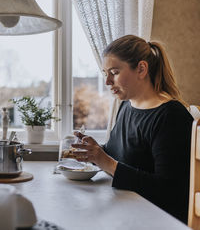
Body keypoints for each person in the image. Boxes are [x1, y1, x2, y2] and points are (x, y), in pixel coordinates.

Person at [71, 35, 192, 223]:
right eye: (106, 74)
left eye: (115, 72)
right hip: (126, 212)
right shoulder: (126, 107)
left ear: (142, 69)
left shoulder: (171, 116)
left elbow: (171, 192)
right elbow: (118, 156)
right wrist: (93, 152)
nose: (108, 82)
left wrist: (106, 162)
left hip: (157, 222)